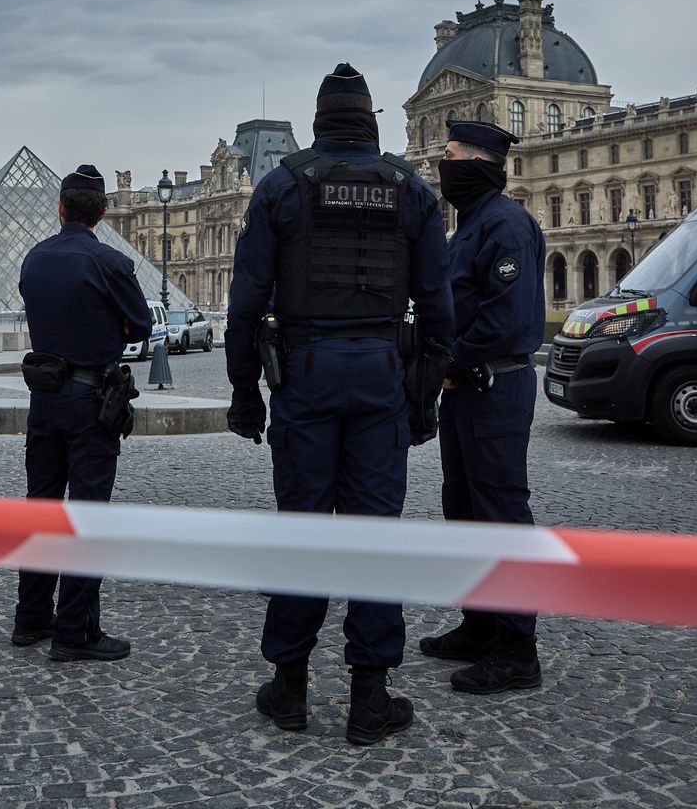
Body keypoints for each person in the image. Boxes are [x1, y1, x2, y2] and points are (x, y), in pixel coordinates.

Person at [226, 62, 455, 746]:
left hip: (305, 373)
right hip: (382, 371)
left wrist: (245, 393)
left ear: (321, 121)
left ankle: (290, 688)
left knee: (302, 530)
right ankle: (369, 697)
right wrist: (422, 398)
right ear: (372, 122)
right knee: (374, 535)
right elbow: (439, 310)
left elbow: (244, 307)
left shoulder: (282, 185)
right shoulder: (411, 190)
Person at [419, 120, 547, 693]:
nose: (442, 166)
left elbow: (509, 319)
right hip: (468, 389)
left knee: (501, 515)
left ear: (475, 161)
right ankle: (479, 624)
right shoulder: (471, 224)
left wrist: (450, 358)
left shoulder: (507, 225)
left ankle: (518, 650)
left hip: (493, 386)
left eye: (448, 156)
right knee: (464, 509)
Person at [14, 164, 152, 662]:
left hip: (43, 398)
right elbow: (139, 326)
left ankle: (31, 618)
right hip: (91, 399)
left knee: (42, 510)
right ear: (104, 212)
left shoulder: (34, 258)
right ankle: (75, 632)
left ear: (60, 206)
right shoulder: (109, 261)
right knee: (86, 516)